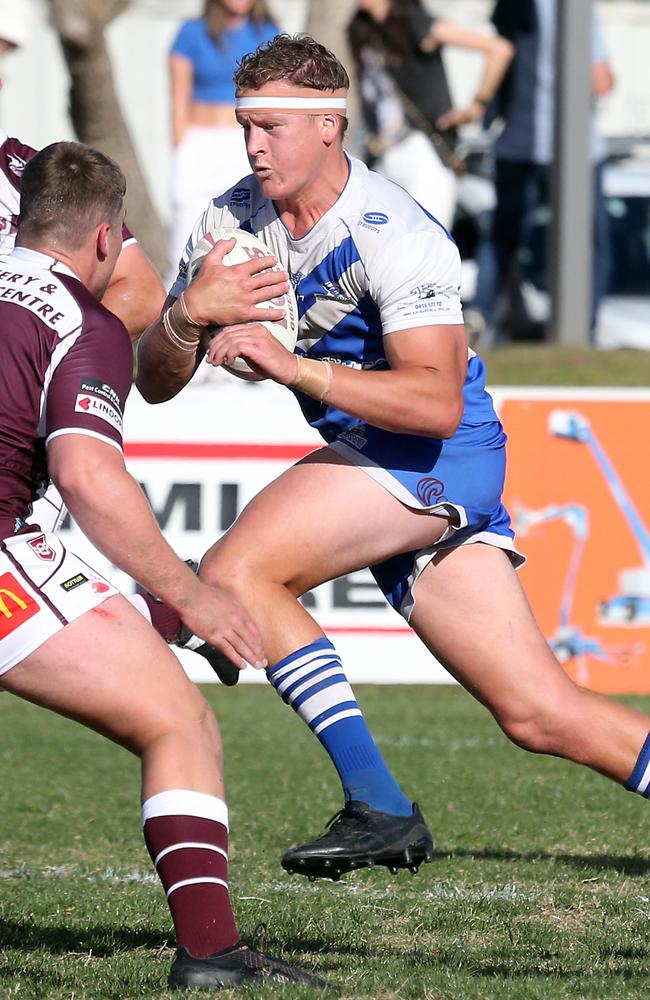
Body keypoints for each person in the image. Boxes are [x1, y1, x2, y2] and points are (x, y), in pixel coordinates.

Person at [135, 33, 650, 884]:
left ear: (329, 125)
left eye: (271, 127)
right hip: (384, 457)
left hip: (442, 450)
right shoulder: (231, 222)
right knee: (542, 714)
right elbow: (156, 384)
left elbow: (436, 400)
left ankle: (378, 805)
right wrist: (187, 316)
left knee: (236, 569)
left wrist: (292, 366)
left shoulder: (393, 228)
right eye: (245, 126)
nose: (253, 144)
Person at [0, 139, 336, 992]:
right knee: (178, 725)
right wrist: (189, 592)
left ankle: (168, 623)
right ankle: (214, 953)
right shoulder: (83, 323)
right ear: (108, 239)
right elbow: (90, 479)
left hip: (21, 537)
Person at [470, 0, 614, 344]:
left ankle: (483, 315)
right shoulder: (574, 12)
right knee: (589, 241)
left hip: (515, 144)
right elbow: (602, 80)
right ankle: (584, 328)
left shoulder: (511, 7)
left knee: (502, 237)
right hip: (575, 147)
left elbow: (499, 57)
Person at [346, 0, 514, 231]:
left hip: (424, 152)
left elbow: (499, 49)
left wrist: (476, 106)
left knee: (426, 242)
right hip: (381, 155)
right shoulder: (359, 29)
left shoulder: (414, 21)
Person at [167, 0, 278, 284]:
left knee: (246, 227)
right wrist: (182, 146)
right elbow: (178, 98)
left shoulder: (267, 33)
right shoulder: (191, 32)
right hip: (199, 144)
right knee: (184, 232)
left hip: (243, 142)